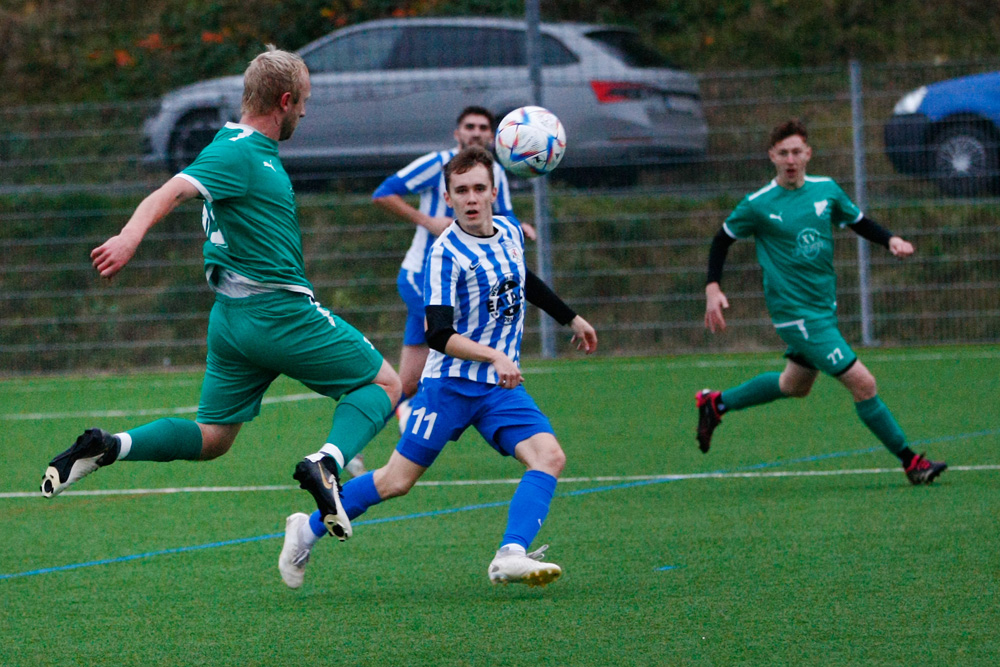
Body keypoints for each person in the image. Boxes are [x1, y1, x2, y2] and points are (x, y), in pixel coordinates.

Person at [40, 46, 402, 542]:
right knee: (386, 385)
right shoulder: (239, 151)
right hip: (279, 312)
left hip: (233, 321)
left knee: (213, 439)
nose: (305, 112)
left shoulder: (234, 143)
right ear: (285, 99)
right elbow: (171, 191)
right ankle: (328, 463)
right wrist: (129, 237)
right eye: (303, 103)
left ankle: (108, 445)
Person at [279, 146, 597, 589]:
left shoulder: (507, 231)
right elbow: (438, 335)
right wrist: (494, 355)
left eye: (479, 189)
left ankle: (510, 553)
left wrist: (571, 317)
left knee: (549, 456)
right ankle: (306, 529)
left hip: (498, 389)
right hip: (448, 386)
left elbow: (523, 280)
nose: (470, 198)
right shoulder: (444, 254)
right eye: (461, 190)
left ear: (493, 192)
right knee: (395, 481)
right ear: (448, 198)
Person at [696, 118, 946, 485]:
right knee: (864, 384)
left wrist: (890, 239)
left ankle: (715, 403)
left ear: (809, 153)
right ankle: (912, 463)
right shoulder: (758, 204)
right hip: (795, 315)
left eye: (797, 151)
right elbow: (721, 240)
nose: (791, 159)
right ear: (772, 157)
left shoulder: (826, 190)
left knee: (794, 385)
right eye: (783, 153)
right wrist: (712, 288)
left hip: (823, 309)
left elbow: (858, 221)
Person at [370, 106, 536, 439]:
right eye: (469, 126)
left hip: (462, 281)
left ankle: (354, 441)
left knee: (408, 381)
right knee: (446, 341)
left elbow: (501, 222)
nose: (476, 132)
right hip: (423, 277)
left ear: (493, 136)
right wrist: (428, 221)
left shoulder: (495, 174)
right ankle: (428, 419)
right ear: (457, 133)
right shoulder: (436, 164)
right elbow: (383, 193)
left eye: (483, 127)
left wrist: (522, 228)